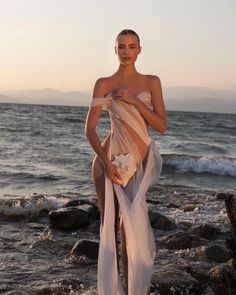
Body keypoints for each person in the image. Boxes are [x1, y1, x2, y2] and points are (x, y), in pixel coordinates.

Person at [85, 29, 167, 295]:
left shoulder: (152, 81)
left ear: (139, 50)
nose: (126, 51)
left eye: (132, 46)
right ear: (115, 49)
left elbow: (161, 125)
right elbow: (90, 129)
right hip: (108, 161)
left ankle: (133, 289)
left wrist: (134, 101)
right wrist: (106, 164)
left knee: (131, 225)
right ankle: (112, 289)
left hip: (138, 164)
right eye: (121, 46)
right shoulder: (104, 84)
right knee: (109, 226)